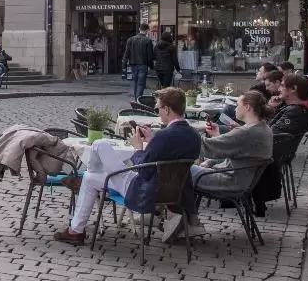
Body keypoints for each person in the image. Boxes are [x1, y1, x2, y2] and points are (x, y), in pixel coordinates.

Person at [55, 86, 201, 246]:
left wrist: (138, 147)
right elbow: (169, 157)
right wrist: (151, 141)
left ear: (166, 109)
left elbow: (144, 171)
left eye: (158, 108)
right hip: (171, 193)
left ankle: (88, 187)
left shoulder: (164, 137)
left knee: (100, 144)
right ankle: (75, 230)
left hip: (144, 191)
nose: (157, 112)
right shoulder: (194, 136)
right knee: (90, 179)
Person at [194, 90, 275, 217]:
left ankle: (184, 219)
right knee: (184, 170)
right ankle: (187, 219)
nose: (235, 108)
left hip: (230, 182)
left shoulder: (246, 132)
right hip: (240, 180)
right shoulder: (263, 128)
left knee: (178, 171)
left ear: (247, 107)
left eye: (237, 105)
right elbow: (236, 151)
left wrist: (182, 133)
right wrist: (217, 137)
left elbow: (206, 148)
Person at [122, 23, 156, 102]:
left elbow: (126, 53)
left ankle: (136, 99)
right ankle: (138, 101)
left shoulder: (130, 39)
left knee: (136, 83)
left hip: (133, 64)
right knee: (141, 84)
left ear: (139, 29)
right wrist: (151, 66)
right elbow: (150, 55)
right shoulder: (148, 40)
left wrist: (124, 65)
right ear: (147, 30)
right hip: (143, 64)